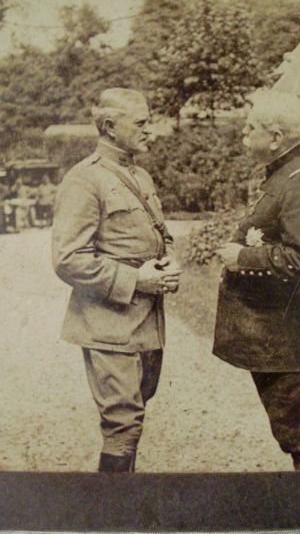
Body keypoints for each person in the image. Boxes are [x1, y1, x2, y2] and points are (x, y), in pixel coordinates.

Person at [213, 89, 300, 472]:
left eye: (251, 126)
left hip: (296, 338)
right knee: (297, 434)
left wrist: (243, 257)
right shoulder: (288, 171)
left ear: (275, 137)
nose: (243, 130)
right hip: (290, 336)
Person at [52, 88, 181, 473]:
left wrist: (168, 258)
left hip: (146, 324)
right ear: (109, 126)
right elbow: (67, 259)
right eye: (141, 124)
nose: (151, 131)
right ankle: (111, 516)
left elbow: (158, 232)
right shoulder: (84, 180)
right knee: (122, 424)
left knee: (134, 417)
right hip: (108, 324)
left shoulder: (138, 174)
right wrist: (136, 280)